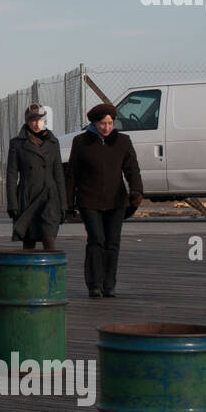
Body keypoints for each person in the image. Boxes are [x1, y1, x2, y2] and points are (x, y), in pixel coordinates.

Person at [66, 102, 144, 298]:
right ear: (94, 123)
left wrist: (136, 191)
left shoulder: (123, 141)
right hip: (89, 200)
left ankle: (109, 284)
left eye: (110, 123)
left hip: (117, 201)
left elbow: (132, 169)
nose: (107, 127)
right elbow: (72, 174)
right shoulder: (81, 142)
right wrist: (68, 203)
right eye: (102, 123)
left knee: (112, 242)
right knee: (96, 240)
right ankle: (94, 284)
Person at [5, 104, 65, 252]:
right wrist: (12, 203)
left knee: (49, 238)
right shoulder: (17, 143)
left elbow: (58, 173)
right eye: (32, 120)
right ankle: (28, 274)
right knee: (29, 241)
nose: (36, 123)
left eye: (40, 119)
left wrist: (64, 204)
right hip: (28, 196)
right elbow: (12, 174)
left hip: (49, 197)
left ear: (44, 121)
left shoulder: (53, 142)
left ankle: (51, 274)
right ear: (27, 121)